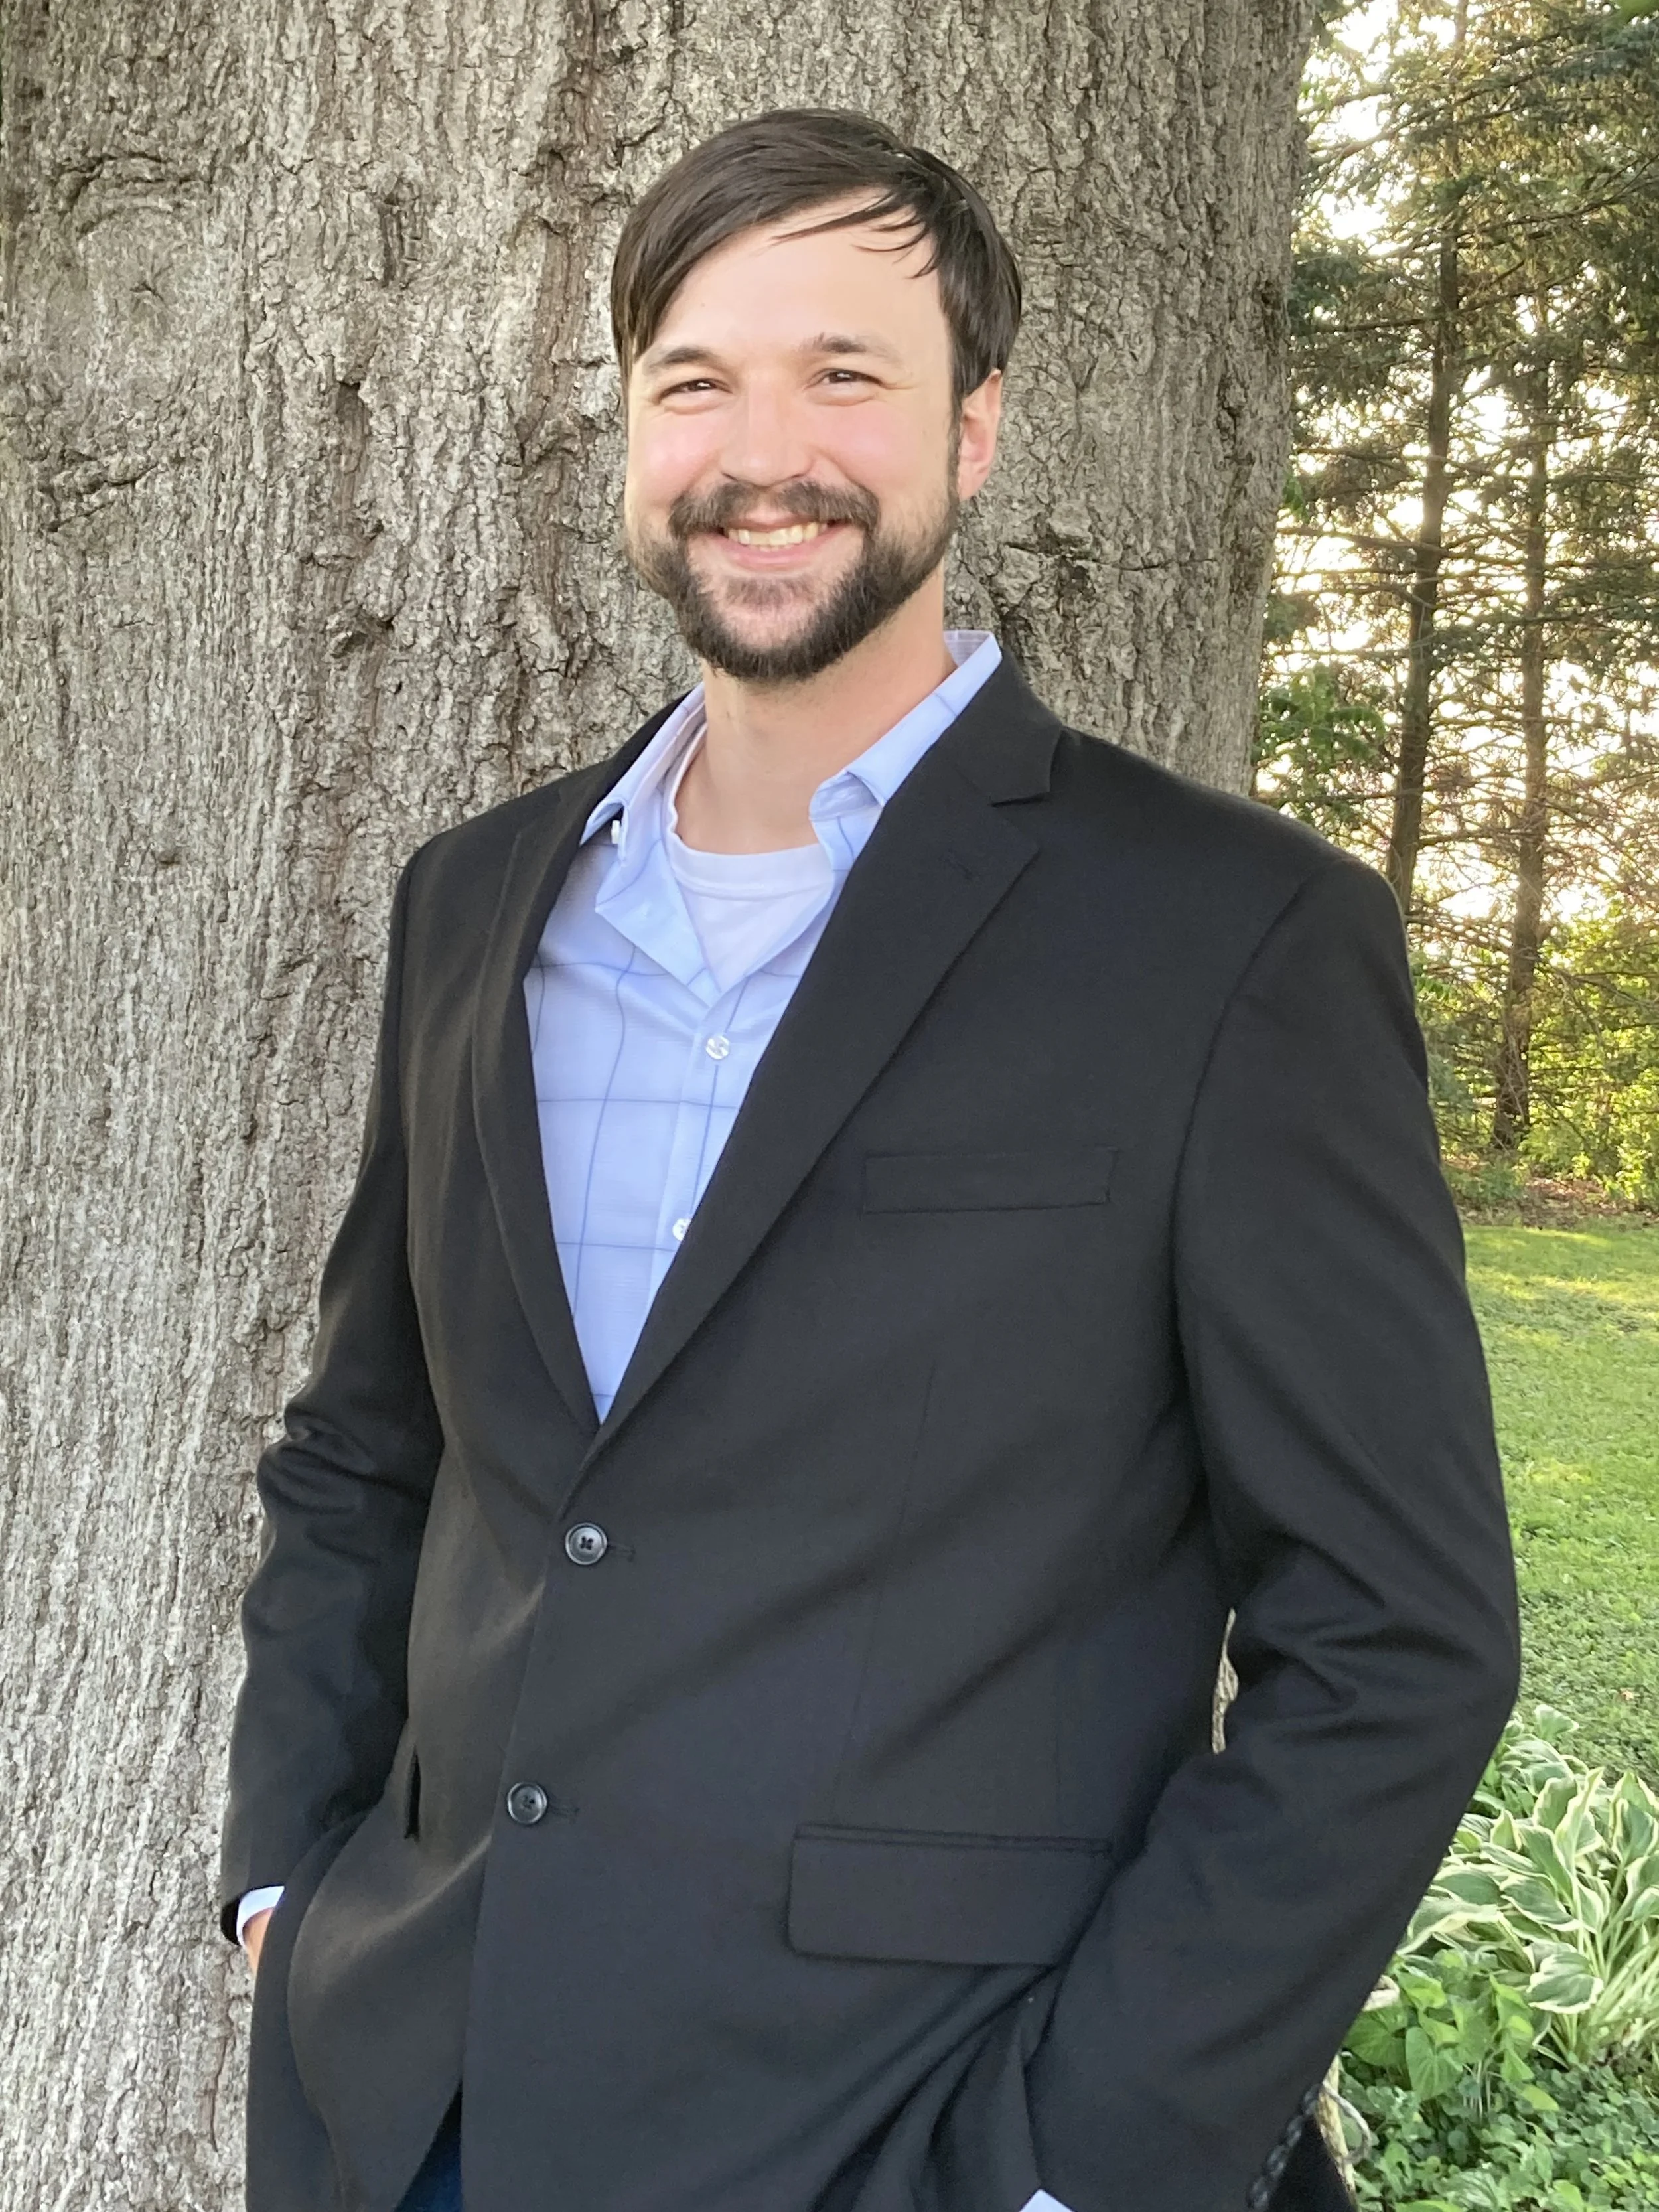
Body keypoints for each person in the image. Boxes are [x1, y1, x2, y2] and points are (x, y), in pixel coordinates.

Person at [221, 108, 1520, 2212]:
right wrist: (285, 1881)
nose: (766, 450)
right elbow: (368, 1454)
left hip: (918, 2125)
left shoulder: (1227, 940)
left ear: (972, 428)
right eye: (695, 381)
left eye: (846, 374)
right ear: (630, 429)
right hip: (426, 2108)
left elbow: (1396, 1632)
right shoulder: (473, 906)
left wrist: (1083, 2156)